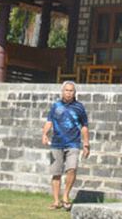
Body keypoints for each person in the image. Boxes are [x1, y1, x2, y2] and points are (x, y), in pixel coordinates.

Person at [42, 81, 90, 210]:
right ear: (62, 92)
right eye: (67, 90)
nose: (69, 93)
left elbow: (84, 126)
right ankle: (56, 201)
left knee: (72, 169)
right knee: (56, 173)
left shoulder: (79, 107)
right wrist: (45, 134)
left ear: (75, 93)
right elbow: (49, 121)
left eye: (71, 91)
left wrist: (86, 144)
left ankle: (66, 196)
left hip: (73, 143)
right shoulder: (55, 106)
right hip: (57, 143)